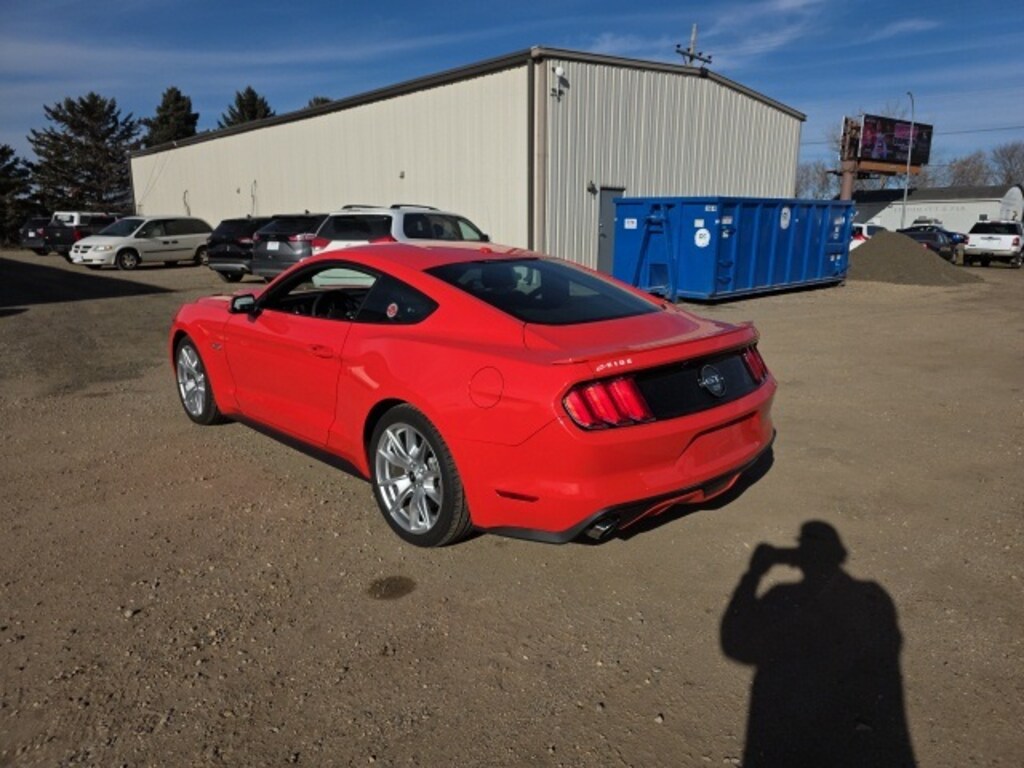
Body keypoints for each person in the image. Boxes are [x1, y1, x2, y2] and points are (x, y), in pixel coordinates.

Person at [721, 521, 916, 767]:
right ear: (840, 554)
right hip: (862, 731)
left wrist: (753, 575)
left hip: (784, 725)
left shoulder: (780, 595)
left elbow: (735, 645)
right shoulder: (874, 596)